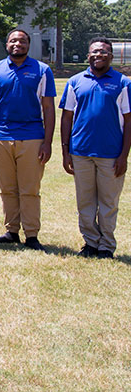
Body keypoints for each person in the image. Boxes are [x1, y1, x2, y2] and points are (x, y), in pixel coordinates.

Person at [0, 29, 55, 252]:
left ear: (28, 44)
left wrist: (48, 142)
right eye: (13, 40)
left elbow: (48, 107)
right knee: (8, 188)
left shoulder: (42, 70)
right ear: (7, 44)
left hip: (32, 137)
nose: (17, 44)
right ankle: (12, 231)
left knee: (29, 189)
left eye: (22, 41)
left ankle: (31, 234)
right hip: (1, 137)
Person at [60, 37, 131, 259]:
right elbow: (67, 117)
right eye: (94, 52)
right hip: (80, 152)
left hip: (111, 154)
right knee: (85, 202)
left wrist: (123, 155)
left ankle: (106, 246)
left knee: (108, 202)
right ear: (88, 55)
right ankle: (90, 242)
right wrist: (65, 151)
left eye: (103, 52)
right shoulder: (75, 82)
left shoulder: (122, 83)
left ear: (111, 56)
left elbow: (128, 121)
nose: (98, 55)